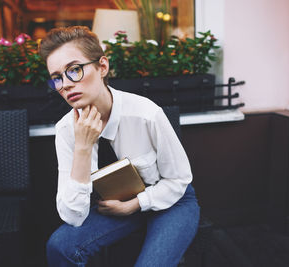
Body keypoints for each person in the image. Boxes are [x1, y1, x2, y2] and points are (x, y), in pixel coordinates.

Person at [39, 26, 200, 267]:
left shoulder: (146, 114)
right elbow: (72, 216)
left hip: (172, 202)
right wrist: (83, 148)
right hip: (113, 208)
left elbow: (179, 180)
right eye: (57, 77)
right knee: (60, 246)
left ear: (102, 67)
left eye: (74, 70)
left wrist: (135, 204)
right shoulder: (66, 130)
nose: (65, 85)